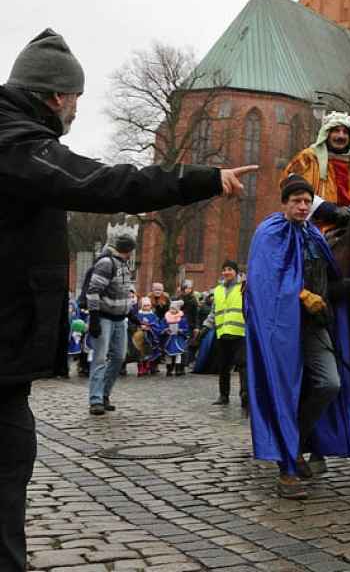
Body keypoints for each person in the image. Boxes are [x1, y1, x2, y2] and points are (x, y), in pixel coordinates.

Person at [0, 28, 255, 571]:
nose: (75, 110)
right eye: (76, 98)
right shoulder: (15, 143)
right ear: (55, 95)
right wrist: (201, 179)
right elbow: (105, 183)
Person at [244, 175, 350, 499]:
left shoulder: (314, 237)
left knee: (331, 384)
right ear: (285, 203)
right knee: (285, 392)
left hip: (315, 328)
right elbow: (264, 283)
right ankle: (287, 470)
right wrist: (300, 294)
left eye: (307, 201)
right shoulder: (269, 234)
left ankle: (297, 442)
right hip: (281, 332)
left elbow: (329, 288)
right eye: (296, 201)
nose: (303, 206)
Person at [280, 111, 350, 232]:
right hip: (313, 223)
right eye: (336, 131)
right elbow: (289, 182)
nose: (341, 136)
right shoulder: (308, 157)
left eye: (345, 132)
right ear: (327, 134)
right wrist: (327, 209)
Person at [85, 234, 137, 415]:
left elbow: (124, 293)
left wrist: (131, 314)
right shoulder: (107, 263)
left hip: (120, 319)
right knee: (100, 359)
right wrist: (94, 318)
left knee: (118, 357)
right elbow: (93, 291)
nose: (131, 254)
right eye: (130, 250)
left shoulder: (124, 264)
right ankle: (96, 399)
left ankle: (105, 394)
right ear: (126, 250)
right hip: (104, 317)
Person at [208, 260, 246, 406]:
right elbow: (213, 312)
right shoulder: (218, 290)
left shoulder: (243, 287)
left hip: (240, 332)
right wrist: (205, 327)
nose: (226, 272)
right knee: (223, 366)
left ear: (236, 272)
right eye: (224, 270)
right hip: (222, 333)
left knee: (243, 366)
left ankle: (245, 394)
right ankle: (223, 395)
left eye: (230, 269)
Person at [162, 300, 190, 377]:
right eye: (171, 308)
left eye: (174, 309)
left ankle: (178, 369)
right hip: (169, 339)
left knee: (178, 354)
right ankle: (169, 369)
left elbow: (186, 328)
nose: (172, 310)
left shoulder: (182, 318)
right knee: (168, 354)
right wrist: (165, 330)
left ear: (178, 309)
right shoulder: (166, 317)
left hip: (178, 338)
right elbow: (162, 326)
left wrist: (181, 330)